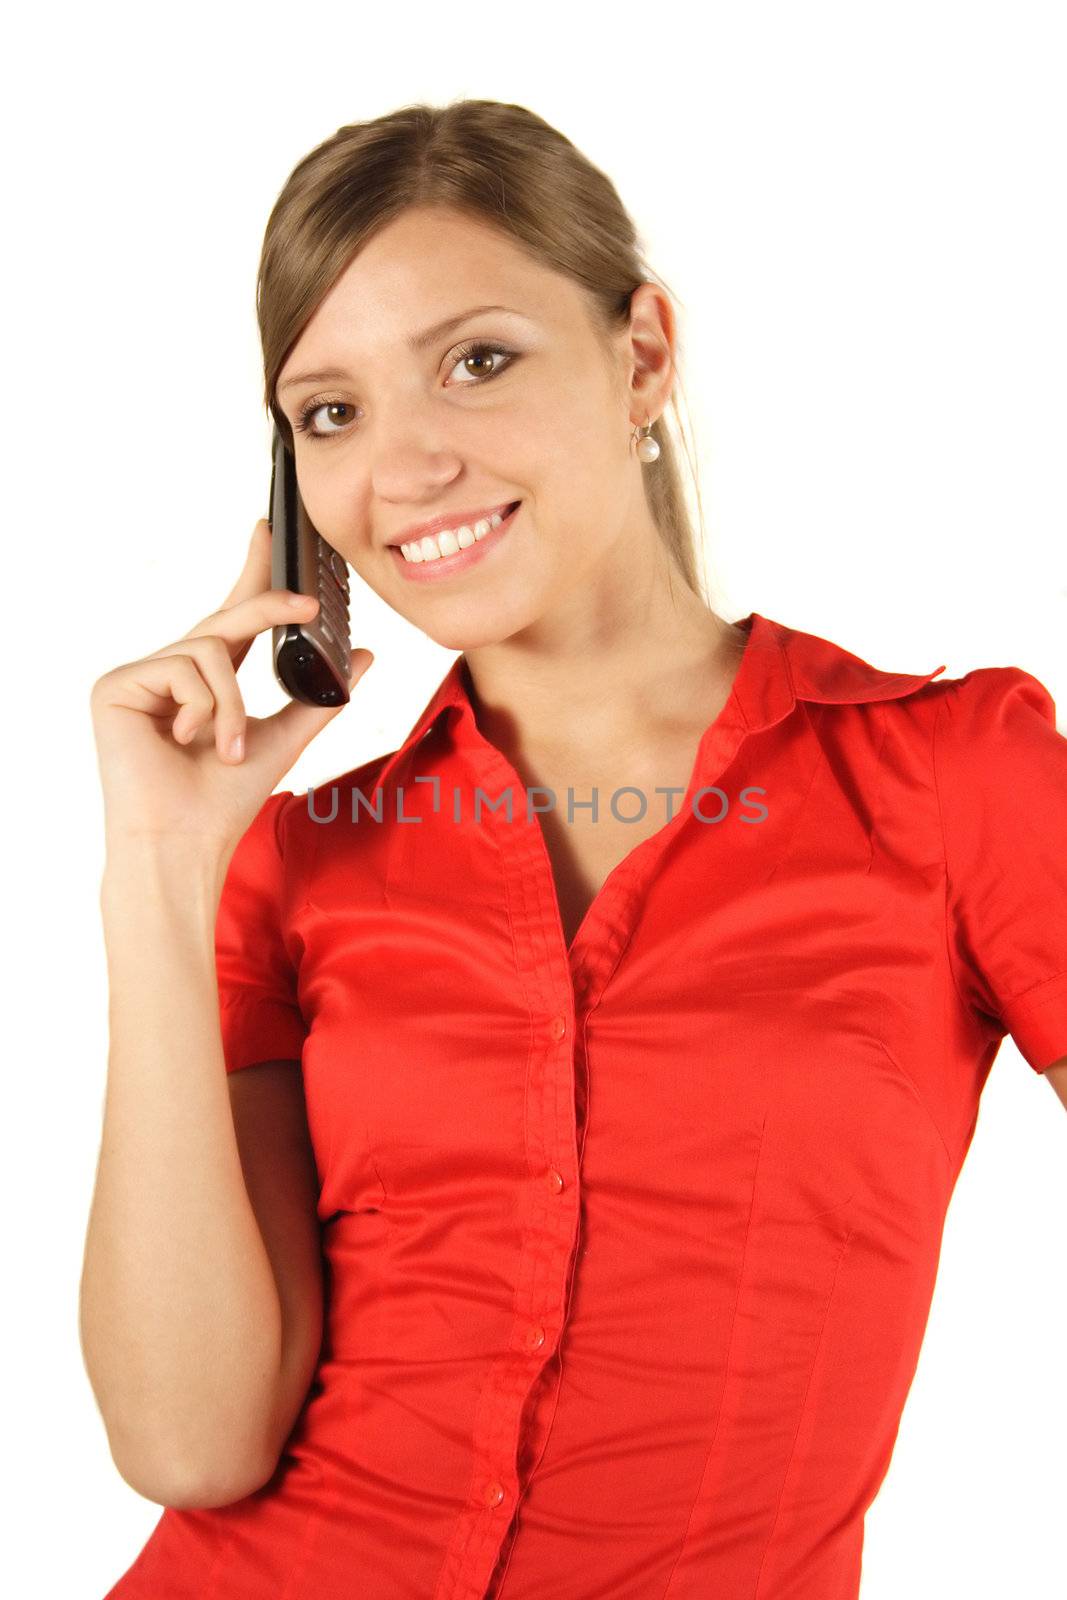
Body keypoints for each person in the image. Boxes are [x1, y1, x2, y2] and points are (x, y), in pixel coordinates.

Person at [82, 100, 1067, 1600]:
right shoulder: (300, 864)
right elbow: (189, 1445)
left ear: (643, 356)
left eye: (477, 362)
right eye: (331, 412)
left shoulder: (951, 774)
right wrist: (159, 863)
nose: (404, 467)